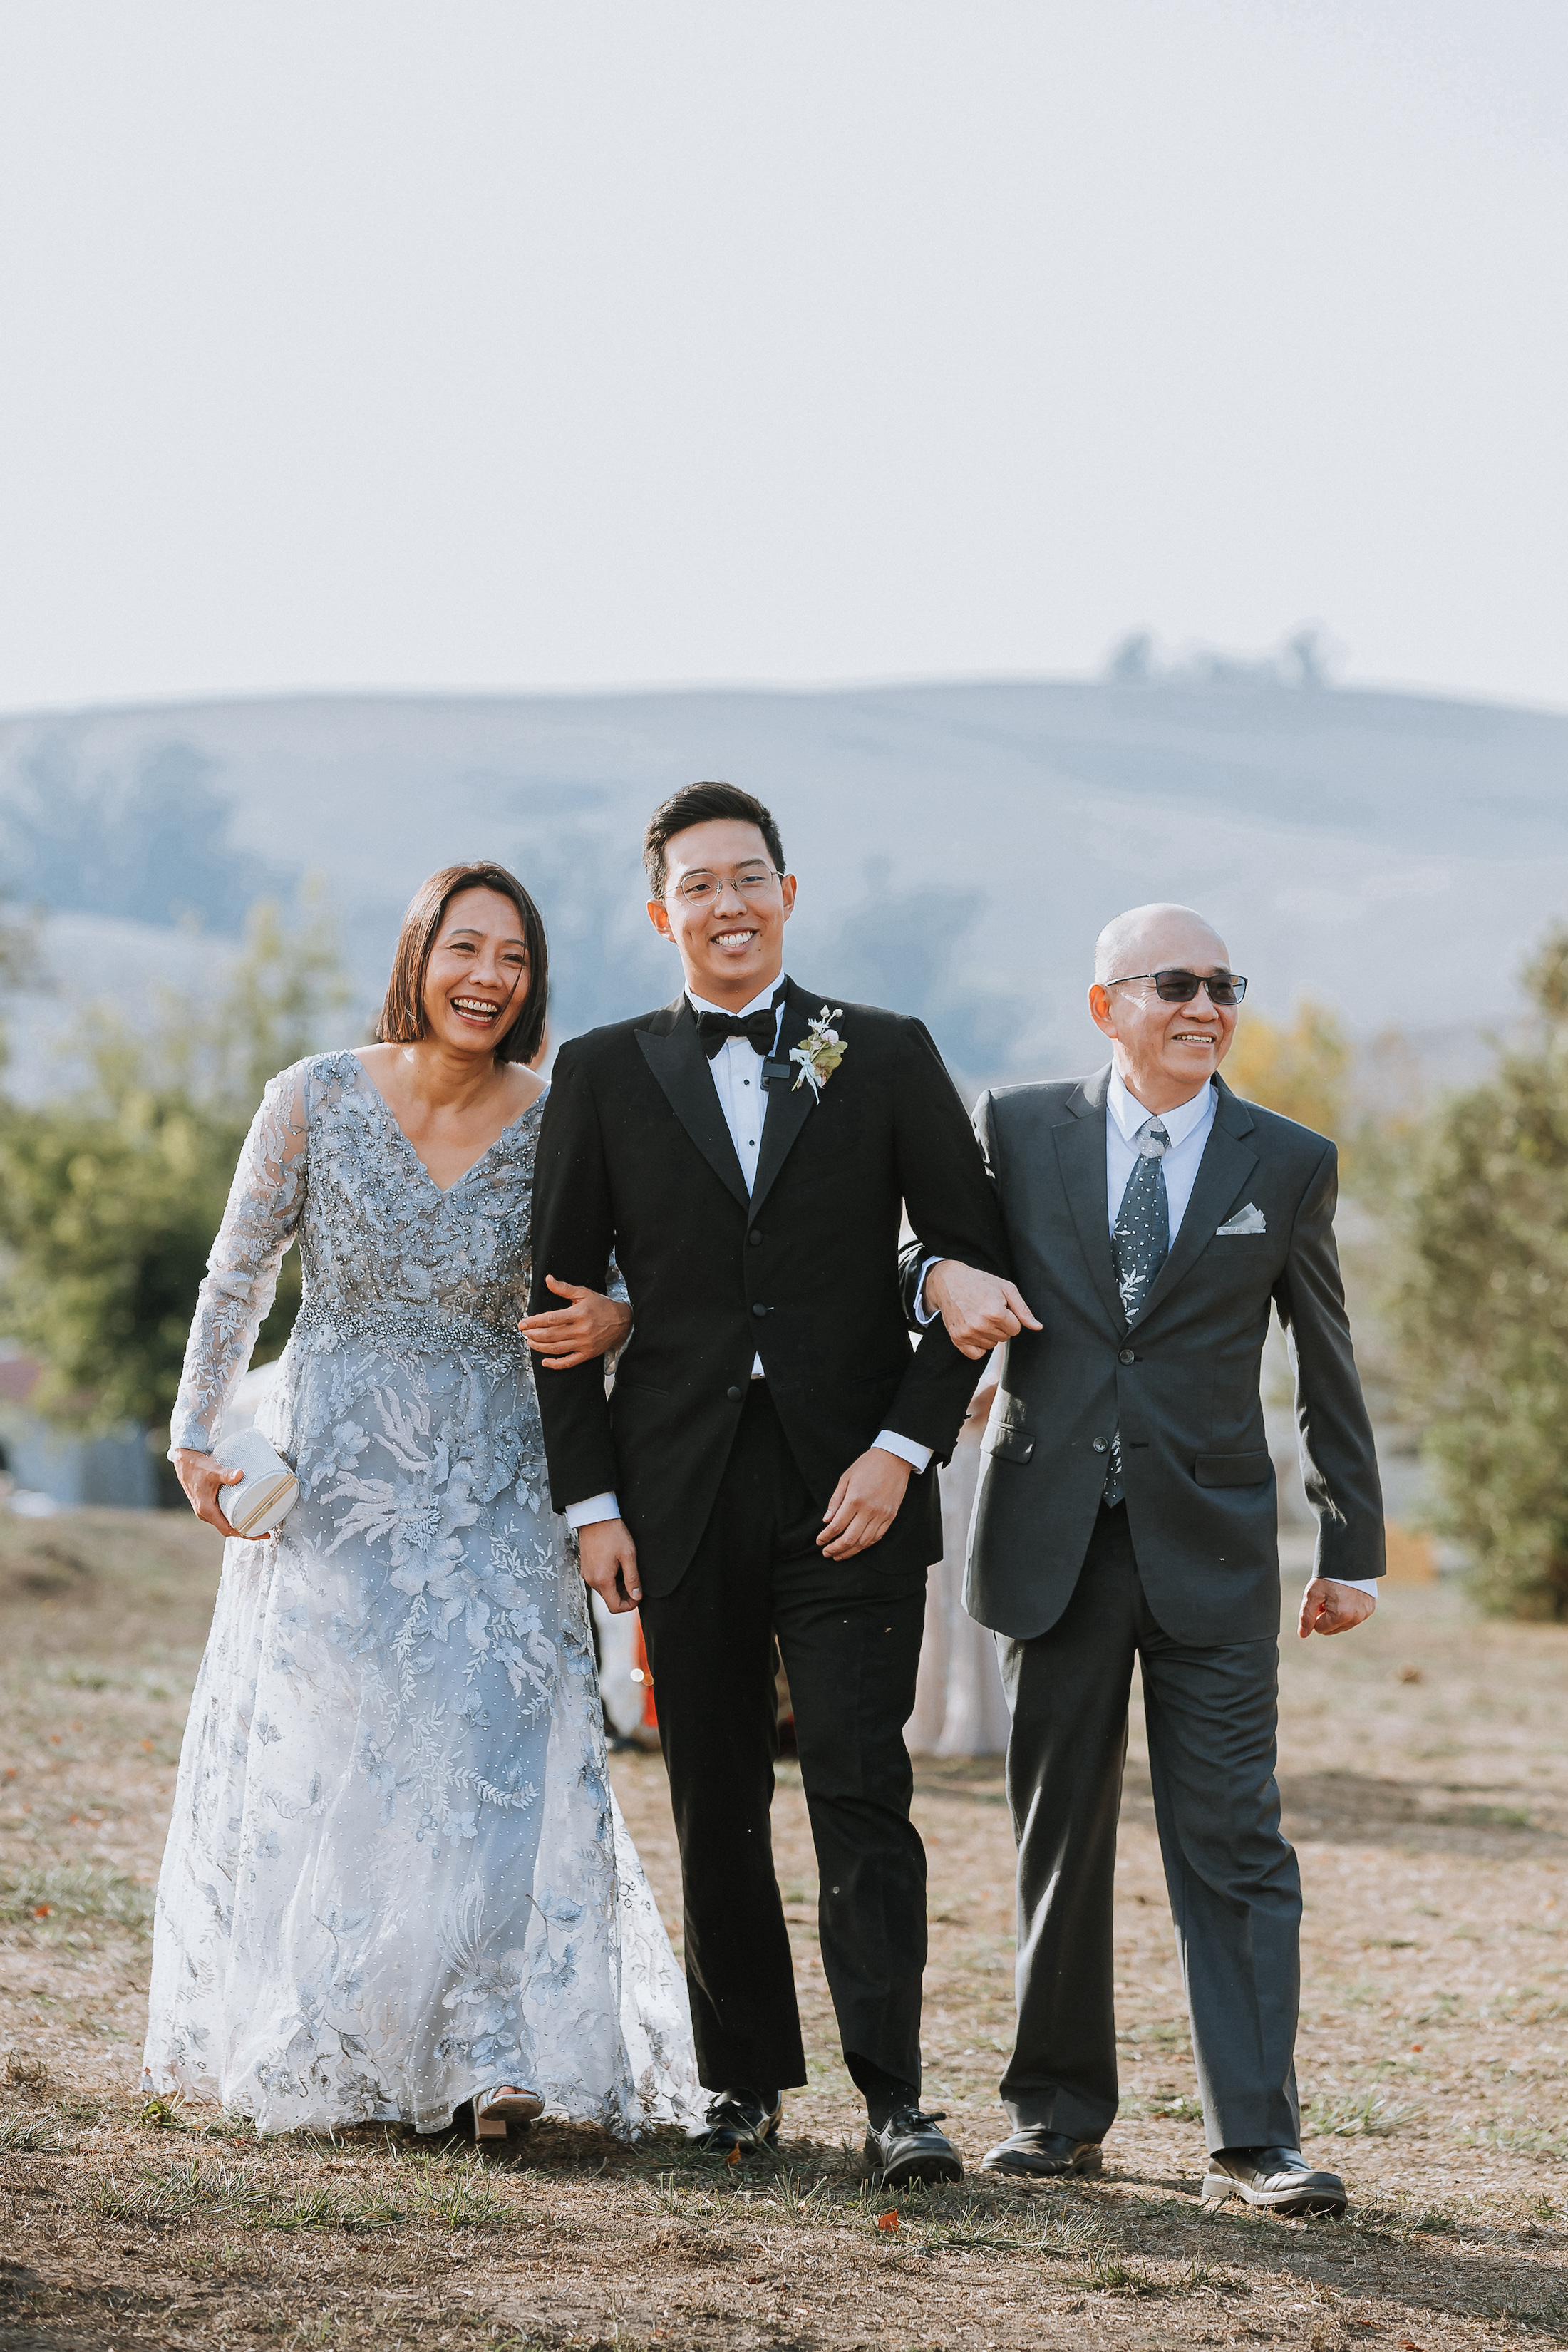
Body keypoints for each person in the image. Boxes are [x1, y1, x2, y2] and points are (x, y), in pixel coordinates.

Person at [144, 862, 701, 2141]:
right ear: (419, 955)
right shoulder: (314, 1096)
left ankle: (488, 2045)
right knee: (350, 1749)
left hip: (501, 1467)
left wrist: (618, 1317)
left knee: (503, 1738)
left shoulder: (565, 1119)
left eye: (512, 958)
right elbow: (238, 1273)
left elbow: (623, 1286)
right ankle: (340, 2032)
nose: (487, 978)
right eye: (465, 949)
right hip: (338, 1471)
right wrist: (193, 1437)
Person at [525, 781, 1011, 2185]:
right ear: (659, 910)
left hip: (851, 1490)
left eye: (749, 878)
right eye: (697, 883)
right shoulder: (605, 1073)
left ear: (786, 896)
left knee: (864, 1792)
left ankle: (896, 2103)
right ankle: (738, 2084)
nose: (725, 904)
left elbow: (973, 1277)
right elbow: (556, 1308)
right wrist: (592, 1504)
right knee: (714, 1795)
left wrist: (902, 1447)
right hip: (674, 1496)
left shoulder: (888, 1052)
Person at [911, 902, 1383, 2217]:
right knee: (1058, 1834)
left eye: (1226, 985)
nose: (1207, 1005)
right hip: (1051, 1536)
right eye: (1176, 982)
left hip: (1217, 1550)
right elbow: (925, 1248)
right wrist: (943, 1283)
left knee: (1235, 1838)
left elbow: (1324, 1361)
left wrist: (1353, 1545)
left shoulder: (1285, 1161)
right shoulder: (1017, 1129)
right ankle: (1055, 2116)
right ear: (1106, 1001)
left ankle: (1257, 2140)